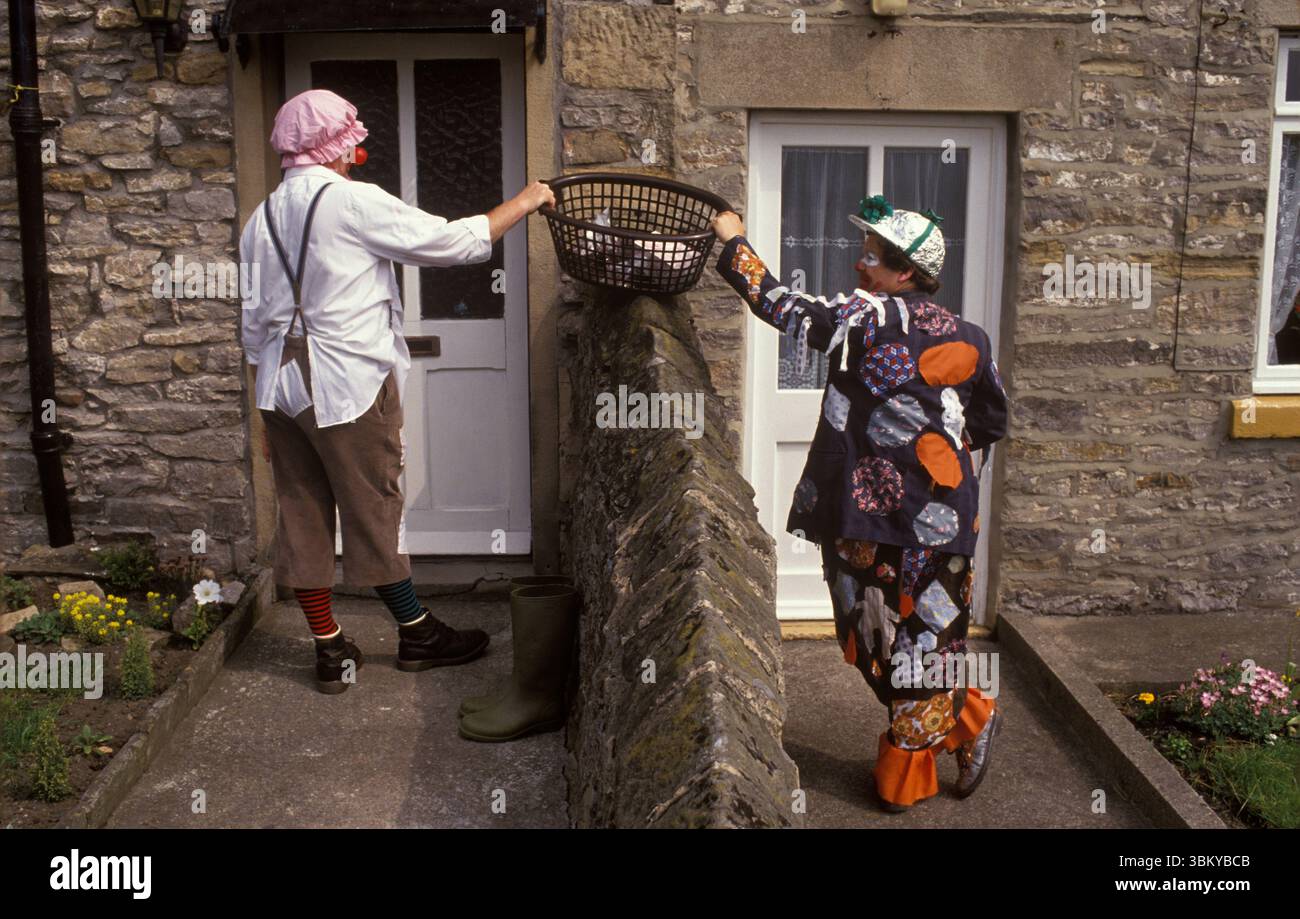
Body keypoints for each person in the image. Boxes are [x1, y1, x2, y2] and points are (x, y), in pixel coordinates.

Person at [239, 89, 555, 693]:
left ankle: (329, 650)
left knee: (301, 513)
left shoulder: (261, 218)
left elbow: (253, 322)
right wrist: (527, 199)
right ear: (339, 144)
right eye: (353, 139)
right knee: (374, 505)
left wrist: (263, 414)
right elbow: (453, 243)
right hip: (348, 380)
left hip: (280, 384)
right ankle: (417, 633)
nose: (359, 148)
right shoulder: (352, 203)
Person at [711, 194, 1009, 811]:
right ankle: (971, 715)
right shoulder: (882, 322)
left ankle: (907, 772)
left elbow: (779, 305)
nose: (859, 265)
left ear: (906, 274)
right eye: (862, 252)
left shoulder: (892, 322)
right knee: (864, 633)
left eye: (872, 257)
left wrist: (733, 240)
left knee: (927, 644)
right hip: (862, 516)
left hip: (936, 524)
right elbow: (989, 424)